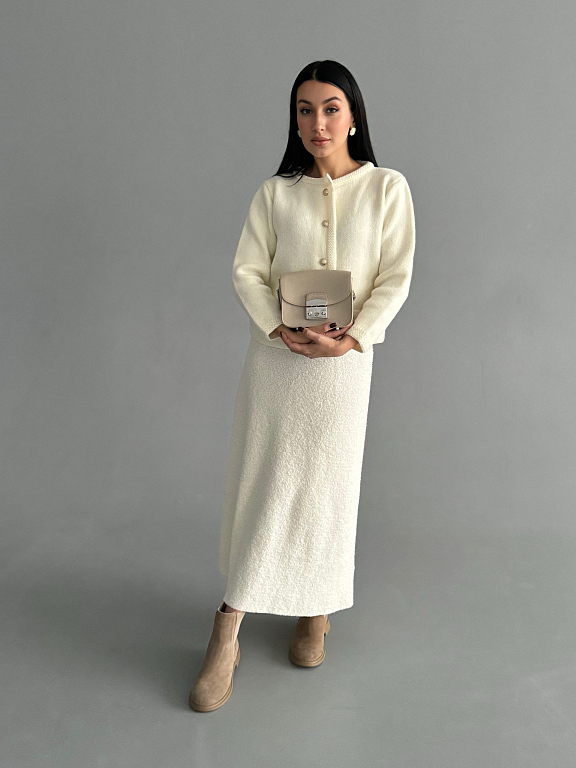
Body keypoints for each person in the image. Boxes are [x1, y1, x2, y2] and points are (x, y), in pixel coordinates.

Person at [189, 59, 416, 712]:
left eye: (331, 108)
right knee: (267, 483)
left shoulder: (387, 189)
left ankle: (316, 608)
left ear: (354, 116)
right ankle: (229, 624)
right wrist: (275, 327)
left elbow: (395, 276)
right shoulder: (275, 194)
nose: (318, 123)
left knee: (328, 488)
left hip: (344, 368)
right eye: (305, 110)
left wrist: (354, 337)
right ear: (294, 120)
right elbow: (246, 271)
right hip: (276, 363)